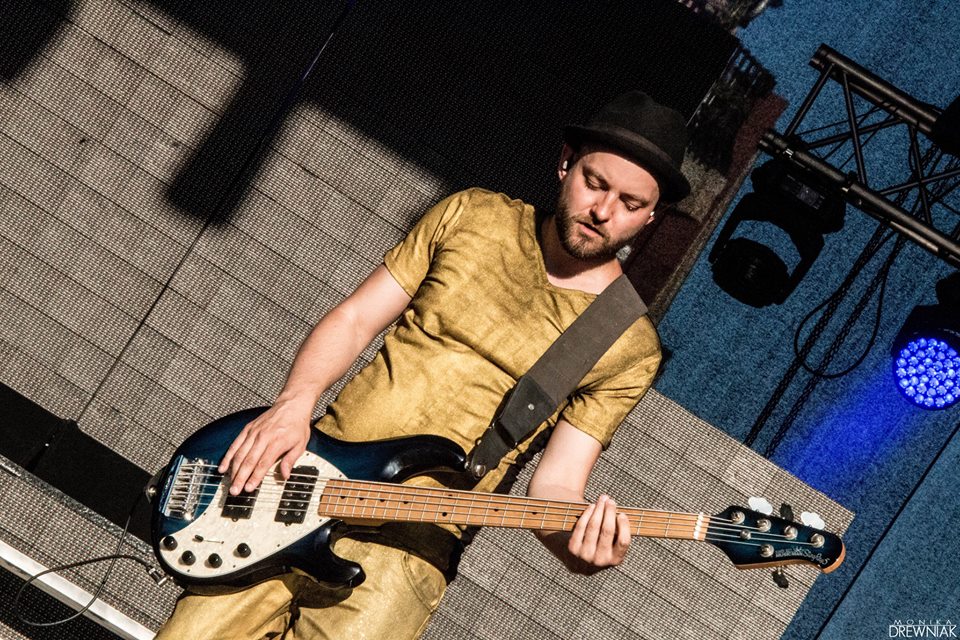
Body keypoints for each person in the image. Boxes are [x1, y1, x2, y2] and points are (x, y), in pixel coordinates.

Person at [155, 90, 691, 640]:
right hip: (298, 480)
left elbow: (556, 484)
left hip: (409, 552)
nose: (603, 211)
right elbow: (356, 319)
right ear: (565, 163)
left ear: (651, 216)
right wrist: (292, 406)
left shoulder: (627, 344)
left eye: (630, 204)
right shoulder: (473, 216)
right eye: (595, 183)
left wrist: (578, 549)